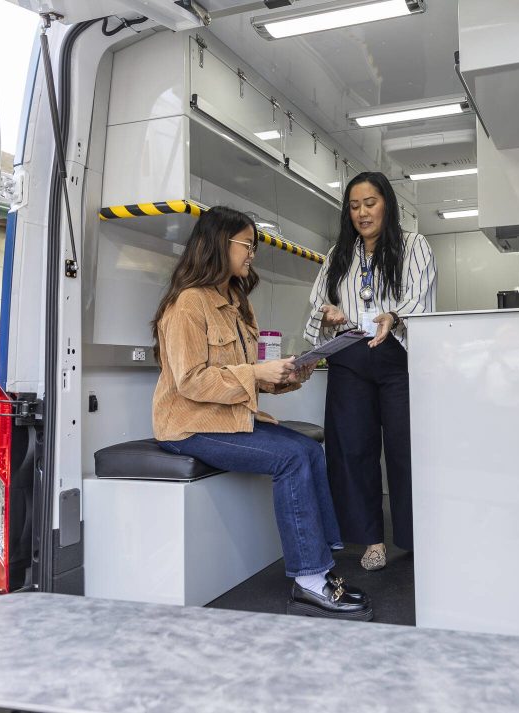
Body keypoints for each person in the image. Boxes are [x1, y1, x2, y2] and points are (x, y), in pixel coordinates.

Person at [152, 206, 372, 621]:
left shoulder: (235, 302)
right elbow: (192, 381)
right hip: (186, 426)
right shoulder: (187, 305)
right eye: (246, 245)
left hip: (224, 417)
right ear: (219, 243)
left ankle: (321, 567)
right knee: (292, 457)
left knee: (307, 448)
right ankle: (309, 582)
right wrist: (255, 374)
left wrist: (289, 374)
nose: (252, 253)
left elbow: (245, 376)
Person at [304, 172, 436, 570]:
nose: (362, 212)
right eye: (354, 205)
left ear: (387, 204)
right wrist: (327, 313)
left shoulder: (414, 245)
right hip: (349, 357)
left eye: (370, 203)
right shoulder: (337, 254)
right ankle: (369, 540)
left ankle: (418, 537)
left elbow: (421, 297)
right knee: (352, 450)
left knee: (406, 450)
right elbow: (316, 304)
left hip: (398, 357)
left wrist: (393, 316)